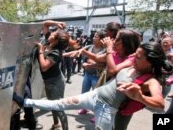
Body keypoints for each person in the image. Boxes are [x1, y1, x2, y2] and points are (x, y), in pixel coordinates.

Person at [13, 42, 172, 130]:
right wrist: (92, 64)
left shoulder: (151, 80)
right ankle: (25, 102)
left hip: (106, 108)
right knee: (59, 103)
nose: (134, 58)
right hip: (95, 95)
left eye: (138, 57)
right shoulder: (132, 62)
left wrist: (140, 97)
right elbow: (109, 66)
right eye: (135, 54)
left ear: (150, 61)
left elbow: (160, 104)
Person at [31, 20, 77, 130]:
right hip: (48, 81)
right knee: (52, 104)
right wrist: (56, 24)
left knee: (59, 107)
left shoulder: (56, 52)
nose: (50, 33)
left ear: (55, 41)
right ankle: (56, 124)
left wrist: (41, 51)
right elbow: (45, 24)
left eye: (53, 34)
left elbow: (44, 67)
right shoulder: (49, 41)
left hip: (56, 83)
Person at [77, 30, 106, 115]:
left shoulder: (104, 50)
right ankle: (84, 108)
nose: (93, 38)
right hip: (87, 74)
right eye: (94, 36)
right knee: (84, 93)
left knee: (96, 96)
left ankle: (96, 113)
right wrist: (93, 62)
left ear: (101, 39)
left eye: (96, 37)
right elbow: (86, 59)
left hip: (96, 76)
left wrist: (90, 63)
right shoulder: (90, 47)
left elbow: (101, 65)